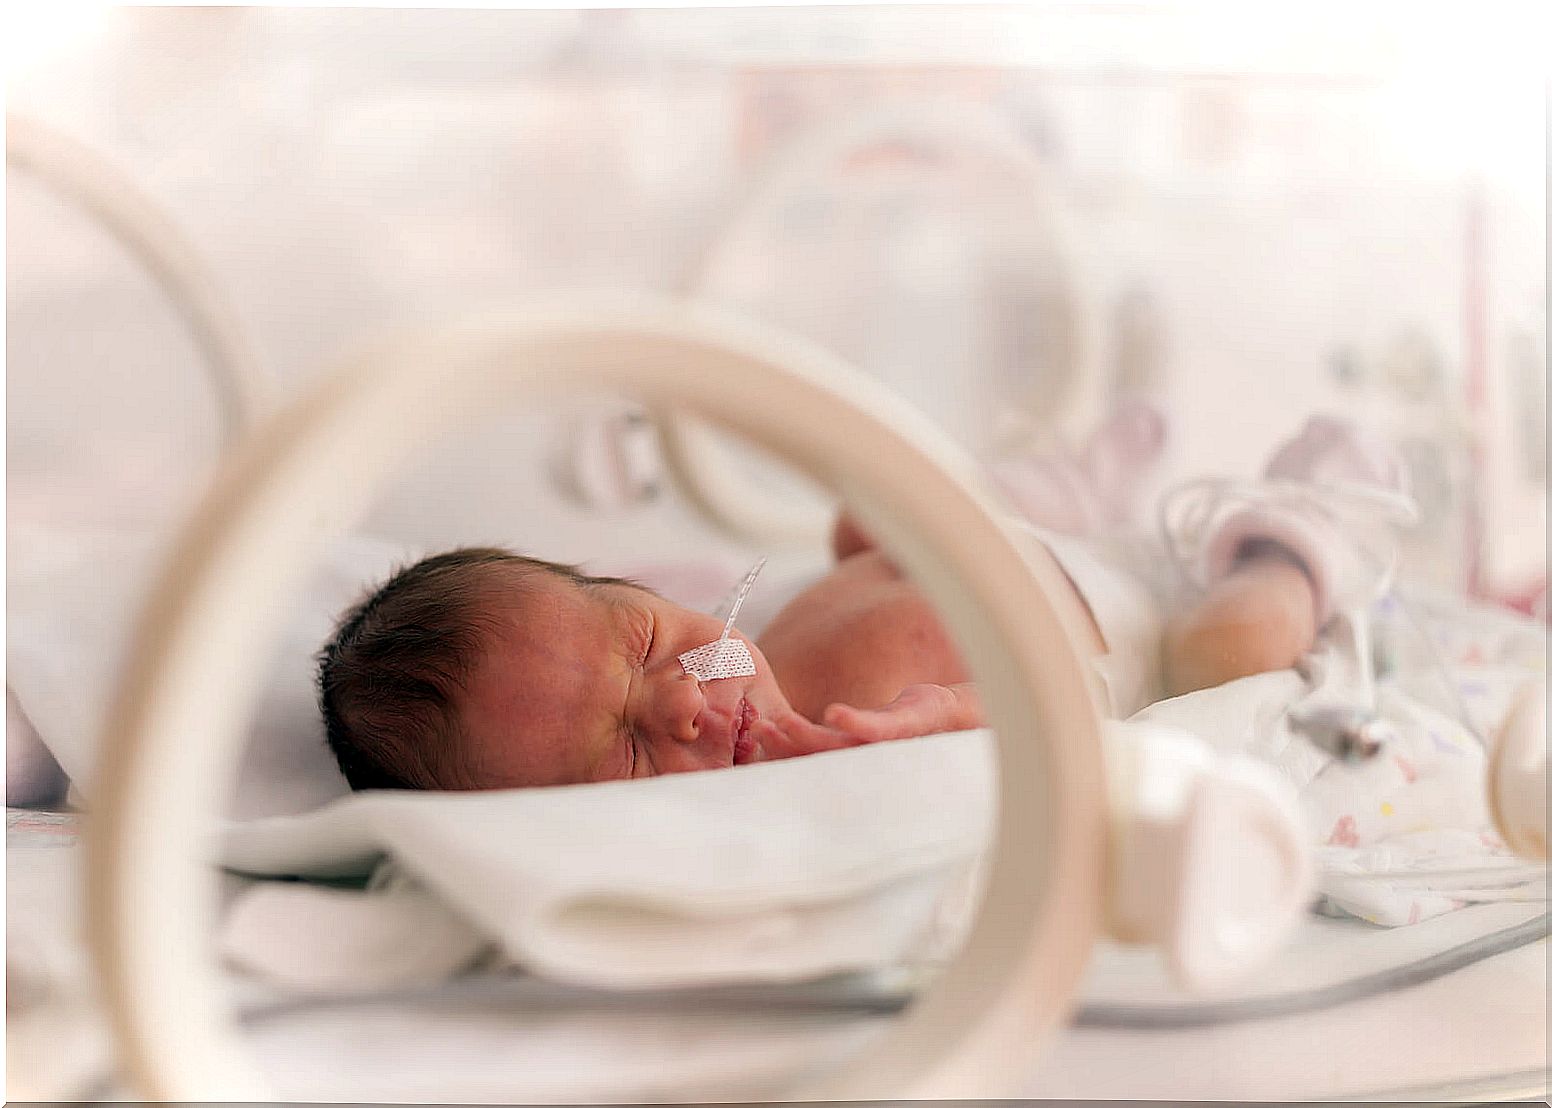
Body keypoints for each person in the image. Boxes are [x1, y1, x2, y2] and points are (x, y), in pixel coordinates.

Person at [318, 414, 1393, 792]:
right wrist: (950, 728)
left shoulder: (718, 624)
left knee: (860, 524)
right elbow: (1045, 744)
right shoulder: (826, 756)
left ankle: (1067, 487)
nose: (683, 703)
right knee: (1237, 643)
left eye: (646, 642)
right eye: (630, 754)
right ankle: (1303, 530)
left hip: (1015, 549)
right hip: (1149, 628)